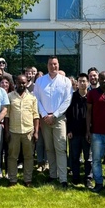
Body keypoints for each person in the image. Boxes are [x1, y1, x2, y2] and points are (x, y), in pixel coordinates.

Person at [34, 56, 72, 188]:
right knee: (49, 148)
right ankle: (53, 175)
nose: (53, 66)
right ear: (47, 66)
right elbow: (36, 99)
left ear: (58, 65)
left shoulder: (65, 81)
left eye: (55, 64)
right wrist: (45, 115)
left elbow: (67, 100)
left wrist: (54, 115)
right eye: (50, 64)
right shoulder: (40, 81)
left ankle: (63, 178)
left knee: (60, 148)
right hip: (45, 120)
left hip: (59, 119)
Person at [5, 75, 39, 187]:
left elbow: (36, 116)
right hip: (13, 131)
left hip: (28, 131)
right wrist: (6, 131)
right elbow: (7, 116)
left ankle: (27, 179)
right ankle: (12, 179)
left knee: (28, 157)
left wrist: (36, 132)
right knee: (12, 157)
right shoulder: (9, 96)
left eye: (24, 83)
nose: (22, 85)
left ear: (27, 83)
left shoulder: (32, 98)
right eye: (19, 83)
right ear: (15, 83)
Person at [66, 73, 92, 188]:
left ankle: (88, 178)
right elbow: (68, 115)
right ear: (77, 83)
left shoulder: (91, 97)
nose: (82, 83)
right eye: (80, 81)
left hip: (87, 133)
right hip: (75, 132)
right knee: (75, 156)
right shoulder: (72, 97)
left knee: (88, 158)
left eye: (84, 81)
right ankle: (75, 177)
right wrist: (69, 130)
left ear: (88, 83)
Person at [0, 75, 15, 177]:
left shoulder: (12, 95)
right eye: (2, 83)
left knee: (9, 150)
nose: (4, 85)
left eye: (6, 83)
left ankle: (8, 171)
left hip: (10, 125)